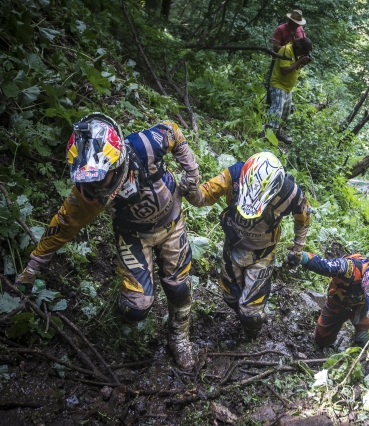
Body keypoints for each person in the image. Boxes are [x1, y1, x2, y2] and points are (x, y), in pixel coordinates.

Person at [15, 113, 201, 369]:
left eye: (102, 177)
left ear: (118, 161)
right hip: (133, 236)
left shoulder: (146, 145)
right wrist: (33, 265)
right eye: (91, 179)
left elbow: (174, 131)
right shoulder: (88, 191)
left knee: (179, 288)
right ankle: (123, 302)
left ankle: (179, 338)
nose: (98, 185)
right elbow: (64, 224)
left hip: (172, 224)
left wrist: (191, 173)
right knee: (137, 307)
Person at [182, 152, 312, 338]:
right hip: (233, 245)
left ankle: (252, 335)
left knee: (251, 314)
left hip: (263, 254)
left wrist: (298, 248)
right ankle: (243, 319)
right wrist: (191, 190)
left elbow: (304, 217)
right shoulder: (234, 175)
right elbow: (204, 196)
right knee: (230, 297)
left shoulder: (289, 192)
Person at [294, 252, 369, 348]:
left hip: (364, 306)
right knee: (322, 339)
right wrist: (301, 256)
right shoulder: (348, 268)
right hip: (339, 301)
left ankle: (367, 346)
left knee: (367, 343)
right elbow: (323, 265)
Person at [263, 37, 313, 144]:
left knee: (285, 112)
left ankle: (278, 134)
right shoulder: (287, 50)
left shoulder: (296, 53)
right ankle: (265, 134)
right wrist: (299, 61)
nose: (303, 54)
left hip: (287, 88)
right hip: (278, 84)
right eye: (303, 52)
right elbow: (284, 70)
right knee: (276, 110)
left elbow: (294, 68)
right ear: (299, 47)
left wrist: (302, 63)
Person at [266, 9, 308, 107]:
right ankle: (269, 107)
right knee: (274, 84)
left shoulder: (300, 30)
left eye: (299, 23)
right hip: (278, 60)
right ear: (290, 21)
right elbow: (275, 46)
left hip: (294, 62)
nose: (298, 25)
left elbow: (304, 44)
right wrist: (288, 52)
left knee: (287, 84)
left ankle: (284, 108)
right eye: (296, 23)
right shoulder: (281, 29)